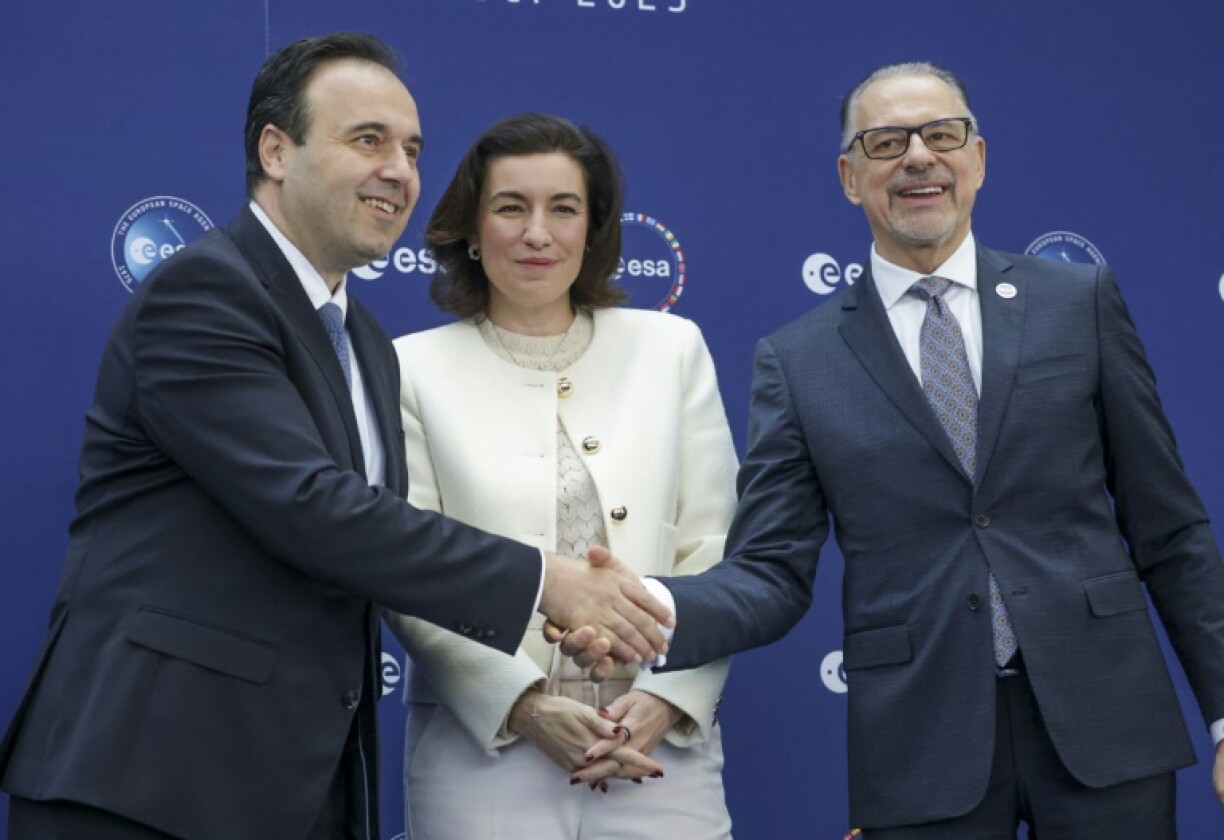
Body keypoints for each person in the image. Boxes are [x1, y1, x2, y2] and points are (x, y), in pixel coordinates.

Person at [0, 34, 669, 840]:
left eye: (412, 150)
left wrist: (570, 635)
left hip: (294, 791)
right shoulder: (206, 291)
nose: (400, 170)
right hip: (148, 784)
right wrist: (547, 583)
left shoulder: (368, 344)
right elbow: (312, 508)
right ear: (276, 152)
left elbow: (375, 551)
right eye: (368, 140)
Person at [581, 62, 1224, 838]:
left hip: (1108, 723)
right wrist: (654, 605)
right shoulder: (800, 358)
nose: (918, 155)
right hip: (922, 745)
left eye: (941, 135)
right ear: (851, 177)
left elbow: (1171, 528)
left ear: (978, 159)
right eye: (887, 141)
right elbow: (772, 569)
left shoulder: (1077, 302)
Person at [384, 113, 738, 839]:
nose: (537, 233)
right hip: (483, 750)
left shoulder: (671, 350)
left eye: (564, 209)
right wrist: (523, 706)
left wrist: (666, 700)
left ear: (594, 231)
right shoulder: (409, 369)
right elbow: (407, 572)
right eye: (511, 207)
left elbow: (718, 551)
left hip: (656, 747)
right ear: (472, 232)